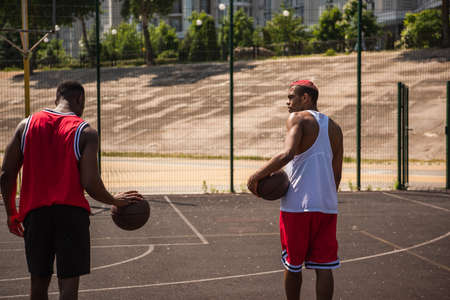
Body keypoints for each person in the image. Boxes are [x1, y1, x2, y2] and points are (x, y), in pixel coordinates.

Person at [0, 81, 144, 300]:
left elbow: (6, 174)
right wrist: (116, 201)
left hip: (35, 215)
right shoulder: (85, 132)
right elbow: (90, 183)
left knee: (38, 284)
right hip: (71, 216)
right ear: (80, 100)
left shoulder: (26, 125)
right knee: (68, 289)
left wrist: (12, 213)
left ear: (57, 98)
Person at [247, 80, 343, 300]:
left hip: (297, 207)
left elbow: (287, 154)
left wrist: (255, 177)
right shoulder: (335, 128)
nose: (287, 102)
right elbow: (336, 175)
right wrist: (325, 199)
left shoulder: (297, 118)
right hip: (327, 207)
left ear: (306, 98)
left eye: (292, 96)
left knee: (293, 265)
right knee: (324, 267)